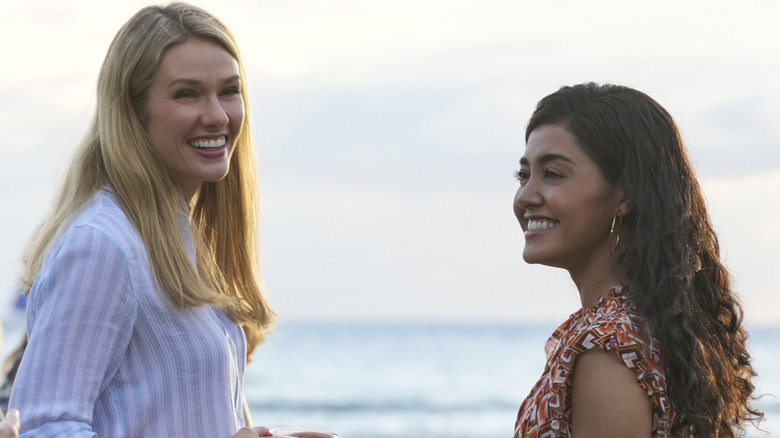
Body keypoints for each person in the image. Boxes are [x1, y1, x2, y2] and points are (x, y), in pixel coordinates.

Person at [8, 3, 277, 437]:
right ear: (133, 115)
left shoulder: (186, 242)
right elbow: (43, 428)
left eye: (229, 90)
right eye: (187, 93)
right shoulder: (103, 245)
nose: (217, 115)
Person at [512, 83, 762, 437]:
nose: (525, 196)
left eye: (552, 174)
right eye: (524, 175)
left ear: (625, 195)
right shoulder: (645, 326)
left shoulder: (607, 346)